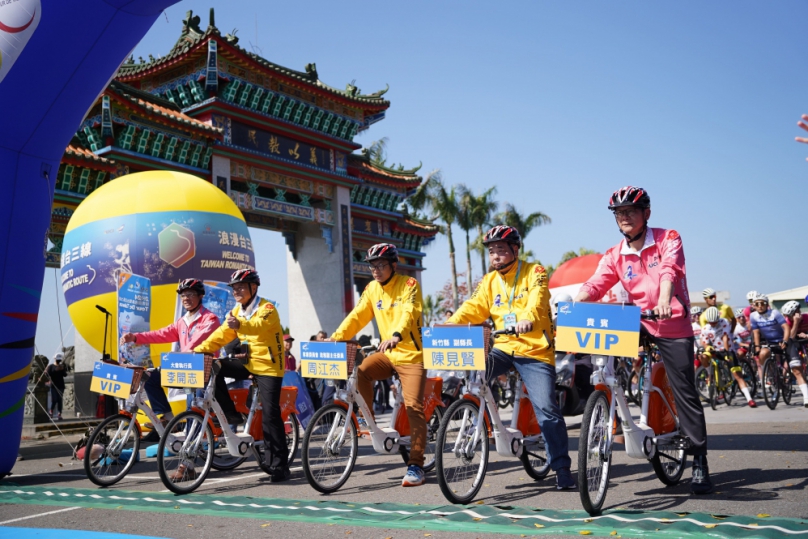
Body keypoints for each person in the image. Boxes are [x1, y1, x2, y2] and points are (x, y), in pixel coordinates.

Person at [573, 186, 712, 495]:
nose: (624, 217)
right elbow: (596, 283)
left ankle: (699, 458)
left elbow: (669, 271)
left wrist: (664, 300)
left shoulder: (668, 238)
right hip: (637, 320)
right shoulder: (614, 254)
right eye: (619, 214)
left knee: (685, 390)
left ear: (646, 214)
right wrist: (576, 302)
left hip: (670, 320)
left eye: (630, 212)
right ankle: (609, 401)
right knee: (595, 350)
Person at [447, 225, 576, 490]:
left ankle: (561, 467)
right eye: (492, 251)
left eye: (501, 250)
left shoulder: (535, 271)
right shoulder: (488, 281)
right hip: (503, 347)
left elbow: (538, 298)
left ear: (515, 250)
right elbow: (473, 308)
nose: (495, 256)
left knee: (548, 411)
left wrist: (528, 317)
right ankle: (479, 417)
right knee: (474, 374)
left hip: (534, 350)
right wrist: (448, 325)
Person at [330, 243, 428, 487]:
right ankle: (368, 419)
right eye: (372, 265)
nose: (376, 270)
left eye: (381, 265)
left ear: (393, 265)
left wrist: (396, 334)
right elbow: (358, 315)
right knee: (362, 371)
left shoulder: (408, 284)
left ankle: (416, 465)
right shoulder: (372, 288)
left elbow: (410, 311)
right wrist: (337, 337)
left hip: (411, 355)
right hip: (387, 354)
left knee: (414, 407)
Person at [194, 269, 289, 482]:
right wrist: (199, 349)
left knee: (270, 414)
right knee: (213, 367)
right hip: (247, 362)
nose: (236, 291)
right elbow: (221, 334)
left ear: (253, 288)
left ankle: (280, 466)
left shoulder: (267, 308)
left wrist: (241, 324)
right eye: (234, 288)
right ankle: (230, 414)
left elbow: (260, 327)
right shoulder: (235, 311)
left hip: (269, 366)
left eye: (240, 287)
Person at [120, 279, 220, 428]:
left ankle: (195, 443)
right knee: (150, 377)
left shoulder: (210, 319)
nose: (186, 298)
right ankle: (166, 417)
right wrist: (135, 337)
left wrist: (177, 358)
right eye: (183, 295)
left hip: (203, 370)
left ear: (200, 296)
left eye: (191, 294)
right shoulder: (182, 321)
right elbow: (162, 334)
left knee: (194, 407)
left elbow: (198, 341)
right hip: (186, 366)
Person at [699, 307, 756, 408]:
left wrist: (726, 353)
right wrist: (708, 347)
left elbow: (725, 337)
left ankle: (749, 399)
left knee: (738, 376)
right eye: (710, 322)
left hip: (727, 349)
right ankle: (709, 372)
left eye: (714, 322)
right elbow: (704, 343)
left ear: (718, 318)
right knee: (702, 356)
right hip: (714, 350)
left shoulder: (723, 322)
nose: (713, 323)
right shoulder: (705, 329)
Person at [779, 301, 808, 407]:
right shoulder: (787, 322)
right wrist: (795, 322)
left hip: (806, 340)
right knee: (788, 362)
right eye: (787, 316)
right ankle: (784, 382)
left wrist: (806, 335)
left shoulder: (806, 317)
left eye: (789, 315)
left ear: (797, 312)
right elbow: (790, 337)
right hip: (794, 342)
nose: (787, 317)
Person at [43, 353, 67, 420]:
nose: (59, 361)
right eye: (58, 360)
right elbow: (48, 375)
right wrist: (55, 370)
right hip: (54, 386)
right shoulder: (51, 366)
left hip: (61, 385)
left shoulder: (61, 366)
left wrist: (62, 369)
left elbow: (65, 375)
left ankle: (59, 414)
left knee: (59, 400)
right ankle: (51, 411)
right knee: (54, 400)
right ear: (55, 359)